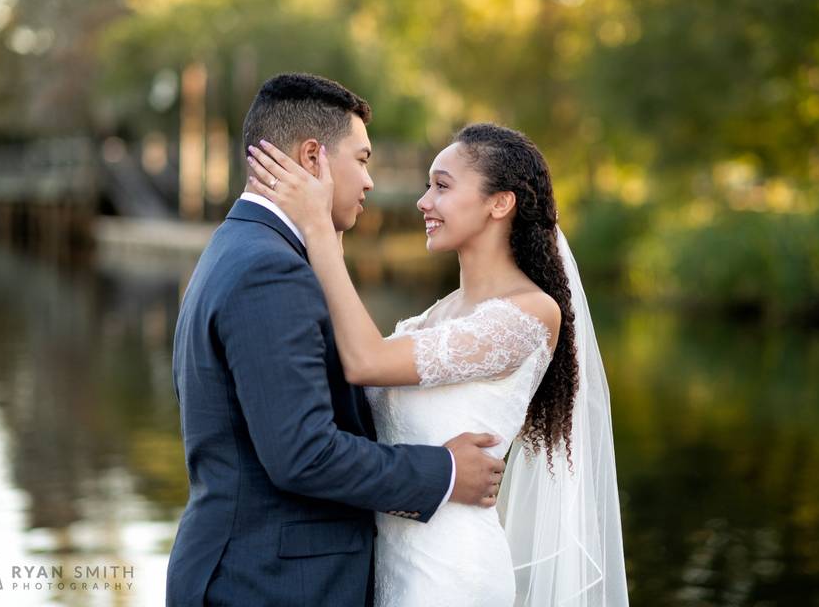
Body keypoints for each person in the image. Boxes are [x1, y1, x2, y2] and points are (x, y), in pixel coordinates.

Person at [246, 122, 629, 606]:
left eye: (442, 186)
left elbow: (365, 361)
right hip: (390, 565)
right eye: (428, 186)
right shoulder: (433, 316)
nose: (423, 202)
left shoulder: (530, 314)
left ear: (500, 203)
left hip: (453, 572)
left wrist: (320, 226)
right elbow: (348, 369)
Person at [165, 73, 507, 607]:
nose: (370, 182)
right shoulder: (269, 269)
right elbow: (303, 453)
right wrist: (443, 472)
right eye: (363, 159)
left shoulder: (242, 246)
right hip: (267, 584)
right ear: (312, 158)